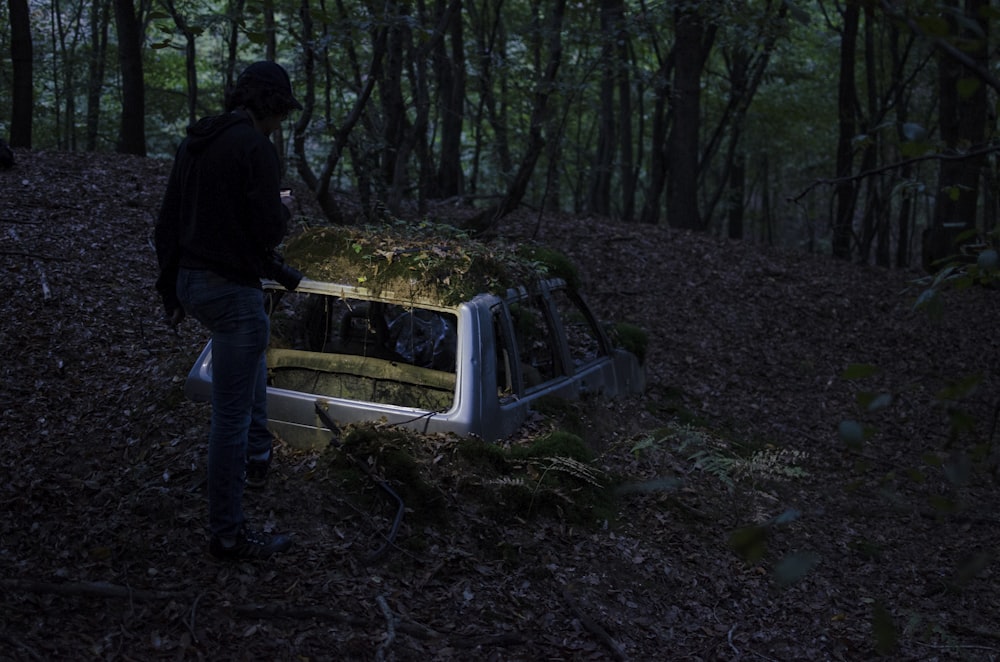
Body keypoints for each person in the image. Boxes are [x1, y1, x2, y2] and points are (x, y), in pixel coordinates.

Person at [154, 60, 303, 560]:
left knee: (250, 352)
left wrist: (171, 292)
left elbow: (168, 221)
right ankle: (227, 533)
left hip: (193, 283)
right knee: (230, 414)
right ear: (272, 106)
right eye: (282, 113)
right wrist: (282, 207)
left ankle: (259, 456)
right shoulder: (256, 149)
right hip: (229, 291)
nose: (281, 123)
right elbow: (268, 229)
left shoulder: (195, 142)